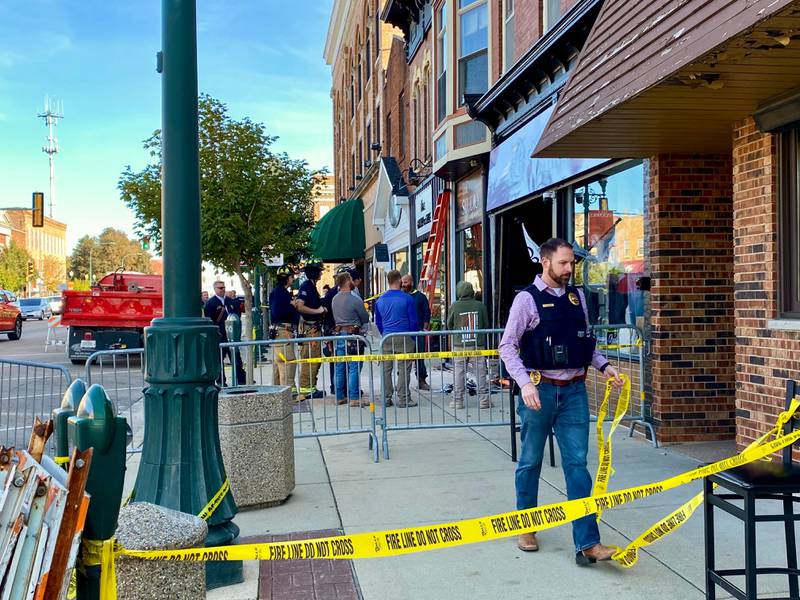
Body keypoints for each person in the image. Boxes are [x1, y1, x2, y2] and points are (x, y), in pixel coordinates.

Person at [498, 237, 624, 564]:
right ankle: (526, 525)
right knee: (530, 461)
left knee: (577, 465)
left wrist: (606, 367)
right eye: (564, 263)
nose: (569, 269)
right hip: (538, 392)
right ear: (545, 262)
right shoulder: (526, 300)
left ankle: (588, 543)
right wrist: (524, 383)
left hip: (574, 392)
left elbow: (585, 342)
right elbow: (507, 347)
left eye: (572, 264)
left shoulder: (577, 296)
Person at [375, 269, 419, 408]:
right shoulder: (407, 298)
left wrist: (384, 333)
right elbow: (413, 321)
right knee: (404, 369)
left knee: (386, 369)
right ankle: (404, 398)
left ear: (388, 281)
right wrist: (412, 336)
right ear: (399, 280)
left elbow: (378, 322)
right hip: (404, 336)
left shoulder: (380, 300)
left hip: (387, 337)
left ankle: (386, 398)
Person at [446, 280, 490, 409]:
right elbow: (486, 324)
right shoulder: (480, 306)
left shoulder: (454, 306)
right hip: (478, 344)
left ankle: (458, 401)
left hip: (460, 344)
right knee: (481, 373)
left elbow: (449, 325)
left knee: (459, 373)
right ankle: (484, 401)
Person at [331, 271, 371, 407]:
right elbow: (365, 318)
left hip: (339, 335)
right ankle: (354, 397)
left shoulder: (334, 299)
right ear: (348, 281)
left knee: (340, 367)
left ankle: (339, 396)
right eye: (351, 280)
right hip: (353, 336)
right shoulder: (355, 300)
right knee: (354, 367)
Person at [205, 280, 247, 386]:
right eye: (220, 288)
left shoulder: (230, 301)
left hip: (232, 336)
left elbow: (236, 316)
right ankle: (221, 382)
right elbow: (209, 320)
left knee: (236, 359)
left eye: (223, 287)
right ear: (215, 289)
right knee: (219, 360)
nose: (223, 289)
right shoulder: (211, 303)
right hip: (220, 337)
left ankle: (241, 380)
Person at [295, 260, 327, 399]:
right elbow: (299, 306)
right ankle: (307, 389)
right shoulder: (306, 287)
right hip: (310, 330)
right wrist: (317, 311)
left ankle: (311, 387)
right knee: (310, 359)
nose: (321, 273)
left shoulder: (311, 286)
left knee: (315, 359)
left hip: (314, 329)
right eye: (319, 271)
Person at [269, 266, 300, 393]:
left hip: (283, 332)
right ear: (286, 278)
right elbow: (277, 313)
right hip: (283, 332)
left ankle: (277, 393)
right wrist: (292, 306)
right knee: (288, 363)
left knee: (279, 365)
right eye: (292, 277)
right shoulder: (279, 292)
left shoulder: (280, 291)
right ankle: (287, 395)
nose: (293, 279)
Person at [400, 274, 431, 391]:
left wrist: (424, 329)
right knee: (403, 359)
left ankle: (422, 380)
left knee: (420, 357)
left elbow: (426, 314)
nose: (403, 284)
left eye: (406, 282)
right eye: (402, 282)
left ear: (411, 283)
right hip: (403, 333)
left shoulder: (420, 297)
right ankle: (402, 383)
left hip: (418, 332)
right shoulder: (400, 297)